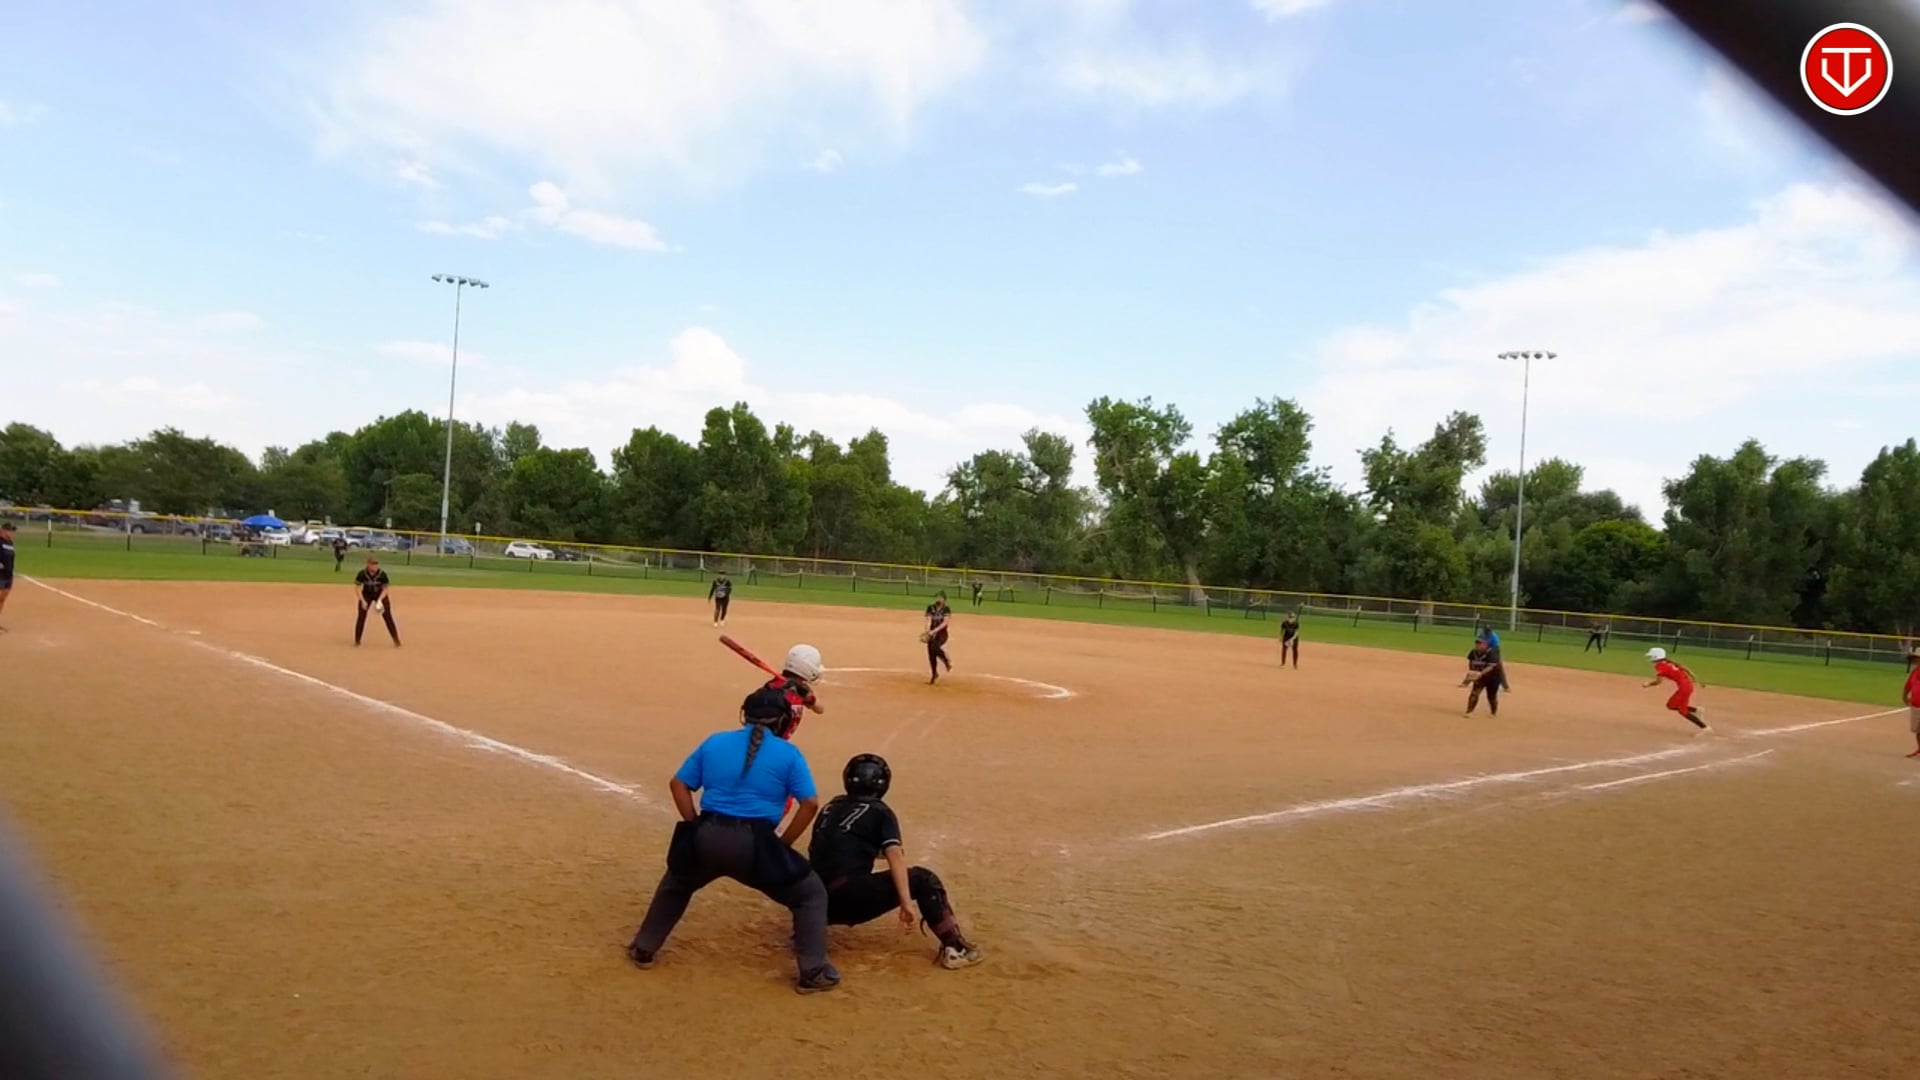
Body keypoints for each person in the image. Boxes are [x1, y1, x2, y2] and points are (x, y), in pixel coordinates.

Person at [625, 686, 840, 994]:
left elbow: (678, 784)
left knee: (677, 883)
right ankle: (813, 971)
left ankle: (643, 947)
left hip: (708, 834)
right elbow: (810, 803)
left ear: (744, 715)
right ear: (782, 721)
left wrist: (695, 825)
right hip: (756, 843)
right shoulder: (788, 754)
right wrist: (782, 845)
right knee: (810, 894)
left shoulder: (715, 742)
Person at [808, 753, 983, 970]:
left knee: (838, 874)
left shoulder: (831, 807)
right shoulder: (881, 812)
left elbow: (832, 847)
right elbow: (895, 856)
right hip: (846, 901)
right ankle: (956, 948)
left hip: (813, 900)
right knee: (923, 879)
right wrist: (906, 903)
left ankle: (808, 927)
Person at [1644, 647, 1709, 731]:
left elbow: (1658, 681)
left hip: (1684, 688)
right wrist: (1695, 679)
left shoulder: (1660, 666)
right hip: (1687, 686)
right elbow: (1686, 669)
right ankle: (1697, 710)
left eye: (1651, 656)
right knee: (1670, 706)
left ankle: (1705, 728)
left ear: (1656, 656)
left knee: (1683, 711)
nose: (1650, 658)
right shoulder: (1668, 662)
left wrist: (1648, 684)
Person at [352, 556, 401, 647]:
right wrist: (362, 601)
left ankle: (396, 640)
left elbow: (385, 589)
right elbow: (357, 588)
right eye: (373, 564)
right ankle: (357, 640)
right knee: (361, 616)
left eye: (376, 564)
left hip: (380, 594)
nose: (375, 566)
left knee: (388, 617)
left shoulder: (382, 574)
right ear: (368, 564)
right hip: (366, 595)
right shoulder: (362, 573)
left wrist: (379, 600)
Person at [1461, 637, 1504, 716]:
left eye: (1480, 643)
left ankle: (1493, 712)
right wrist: (1473, 672)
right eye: (1477, 643)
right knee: (1474, 693)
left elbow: (1491, 667)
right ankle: (1469, 712)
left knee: (1491, 696)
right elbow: (1471, 662)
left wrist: (1480, 673)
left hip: (1493, 677)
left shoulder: (1491, 653)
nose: (1477, 645)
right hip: (1481, 677)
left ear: (1486, 645)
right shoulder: (1473, 652)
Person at [922, 592, 952, 684]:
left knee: (934, 646)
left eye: (940, 598)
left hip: (942, 634)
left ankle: (946, 659)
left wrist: (934, 631)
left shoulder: (946, 609)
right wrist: (927, 631)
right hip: (932, 634)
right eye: (937, 597)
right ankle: (934, 673)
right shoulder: (931, 607)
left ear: (944, 599)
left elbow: (945, 623)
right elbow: (928, 620)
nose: (938, 599)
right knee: (931, 653)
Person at [1903, 660, 1920, 759]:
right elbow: (1908, 685)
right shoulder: (1915, 672)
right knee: (1917, 730)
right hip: (1915, 706)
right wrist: (1904, 696)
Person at [0, 521, 16, 630]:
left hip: (8, 574)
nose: (12, 533)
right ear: (3, 530)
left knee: (2, 599)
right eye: (10, 530)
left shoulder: (10, 542)